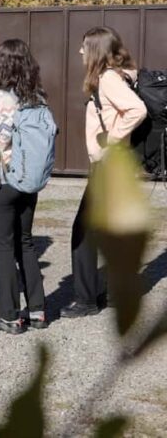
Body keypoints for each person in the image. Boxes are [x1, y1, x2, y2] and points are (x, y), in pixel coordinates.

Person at [61, 26, 147, 318]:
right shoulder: (123, 74)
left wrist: (111, 138)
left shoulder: (109, 79)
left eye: (85, 46)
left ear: (97, 50)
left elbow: (137, 110)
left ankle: (86, 300)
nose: (81, 52)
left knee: (82, 232)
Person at [0, 39, 50, 334]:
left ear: (1, 65)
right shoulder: (38, 98)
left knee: (2, 247)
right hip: (29, 179)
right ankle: (38, 311)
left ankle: (9, 316)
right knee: (24, 242)